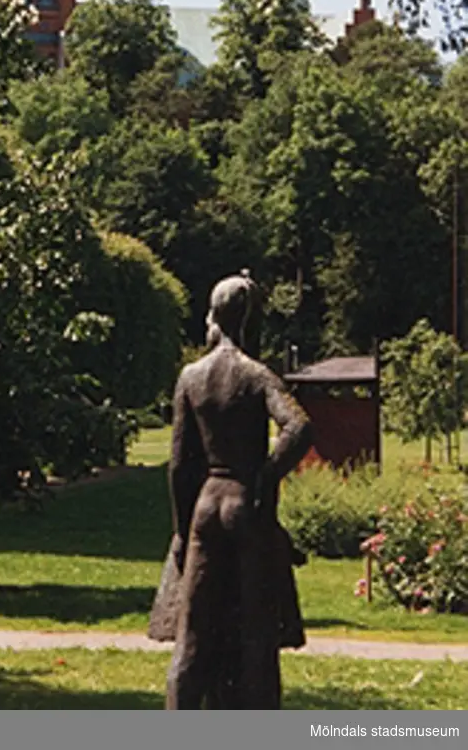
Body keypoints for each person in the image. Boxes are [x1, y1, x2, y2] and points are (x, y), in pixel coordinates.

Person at [157, 272, 313, 709]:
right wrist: (264, 476)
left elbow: (178, 465)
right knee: (257, 637)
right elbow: (298, 426)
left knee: (192, 636)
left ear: (213, 317)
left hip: (207, 505)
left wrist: (181, 531)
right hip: (245, 506)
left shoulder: (192, 377)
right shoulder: (257, 375)